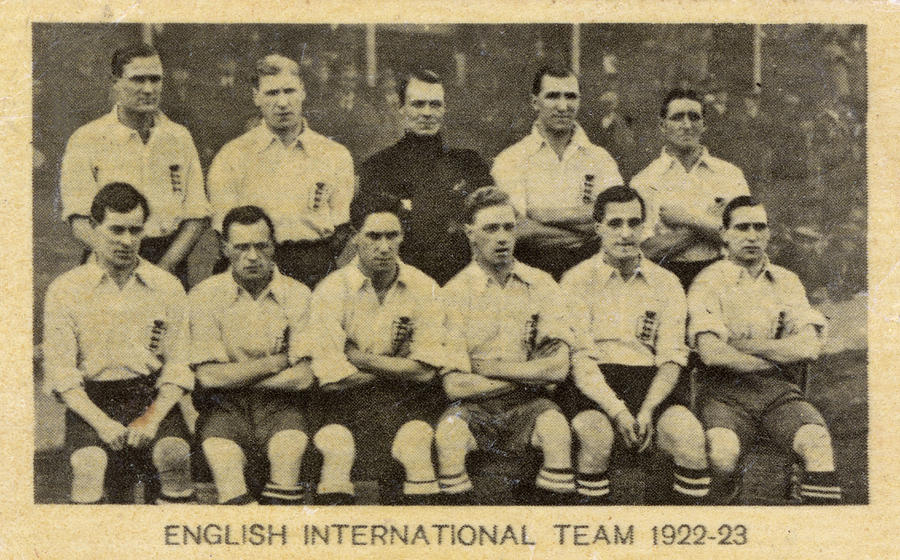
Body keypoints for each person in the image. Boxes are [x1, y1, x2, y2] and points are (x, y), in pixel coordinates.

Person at [42, 182, 194, 504]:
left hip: (149, 394)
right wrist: (102, 423)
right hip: (93, 398)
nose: (127, 241)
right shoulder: (65, 290)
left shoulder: (166, 286)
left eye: (135, 231)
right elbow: (61, 373)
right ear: (94, 229)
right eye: (116, 230)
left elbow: (178, 365)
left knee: (174, 454)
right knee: (89, 464)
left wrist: (151, 418)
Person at [558, 186, 710, 504]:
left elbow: (671, 357)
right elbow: (581, 359)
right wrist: (618, 413)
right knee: (595, 436)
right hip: (595, 386)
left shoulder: (666, 282)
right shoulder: (576, 280)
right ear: (598, 227)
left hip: (652, 384)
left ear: (644, 227)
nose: (626, 233)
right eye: (615, 224)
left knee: (690, 437)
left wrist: (647, 410)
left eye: (634, 223)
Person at [688, 196, 842, 504]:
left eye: (760, 227)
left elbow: (809, 347)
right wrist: (780, 352)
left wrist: (741, 344)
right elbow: (712, 353)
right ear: (725, 234)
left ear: (769, 234)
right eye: (742, 227)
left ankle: (819, 541)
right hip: (723, 393)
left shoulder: (788, 281)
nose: (752, 235)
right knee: (722, 453)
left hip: (778, 392)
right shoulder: (708, 282)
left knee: (818, 443)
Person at [435, 187, 576, 505]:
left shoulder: (542, 284)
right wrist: (529, 373)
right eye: (490, 228)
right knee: (449, 436)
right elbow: (456, 385)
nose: (502, 238)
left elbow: (558, 368)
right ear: (470, 233)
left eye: (508, 227)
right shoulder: (453, 294)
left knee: (556, 430)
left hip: (530, 405)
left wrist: (490, 368)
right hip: (474, 408)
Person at [307, 193, 448, 505]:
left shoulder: (424, 287)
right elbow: (332, 378)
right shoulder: (331, 291)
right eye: (373, 236)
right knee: (336, 448)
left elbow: (426, 372)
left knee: (416, 443)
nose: (384, 247)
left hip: (405, 402)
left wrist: (357, 357)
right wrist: (399, 364)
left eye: (392, 236)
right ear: (355, 238)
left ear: (402, 237)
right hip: (345, 405)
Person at [188, 206, 315, 505]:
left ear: (274, 246)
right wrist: (276, 362)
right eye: (241, 247)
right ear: (224, 248)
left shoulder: (298, 295)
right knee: (224, 463)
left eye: (261, 245)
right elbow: (207, 376)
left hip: (281, 407)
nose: (253, 256)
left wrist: (236, 377)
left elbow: (303, 377)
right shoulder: (204, 296)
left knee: (290, 452)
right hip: (224, 409)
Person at [59, 44, 209, 286]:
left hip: (168, 260)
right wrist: (121, 262)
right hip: (107, 259)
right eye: (138, 80)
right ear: (115, 82)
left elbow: (196, 216)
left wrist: (164, 269)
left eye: (155, 79)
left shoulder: (179, 137)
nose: (149, 89)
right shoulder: (86, 138)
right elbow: (79, 220)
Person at [207, 53, 355, 288]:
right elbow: (224, 233)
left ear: (303, 92)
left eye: (289, 91)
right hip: (256, 269)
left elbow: (341, 229)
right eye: (272, 93)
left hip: (315, 269)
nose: (283, 103)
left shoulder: (334, 154)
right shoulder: (232, 156)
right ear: (256, 97)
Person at [358, 69, 493, 286]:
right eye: (418, 104)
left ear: (444, 109)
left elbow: (490, 226)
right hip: (402, 284)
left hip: (464, 283)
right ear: (401, 109)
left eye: (435, 104)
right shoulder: (378, 167)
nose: (427, 113)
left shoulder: (469, 163)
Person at [491, 65, 624, 280]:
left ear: (579, 101)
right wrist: (588, 230)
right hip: (531, 273)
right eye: (553, 96)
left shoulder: (600, 159)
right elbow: (519, 230)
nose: (563, 106)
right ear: (535, 102)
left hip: (592, 276)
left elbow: (616, 219)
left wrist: (542, 214)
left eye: (570, 97)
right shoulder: (510, 160)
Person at [631, 88, 750, 291]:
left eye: (694, 117)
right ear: (662, 125)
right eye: (677, 118)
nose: (687, 125)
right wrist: (709, 225)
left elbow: (746, 237)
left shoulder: (729, 175)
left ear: (704, 124)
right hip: (664, 280)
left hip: (721, 278)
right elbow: (645, 249)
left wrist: (686, 219)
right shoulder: (644, 181)